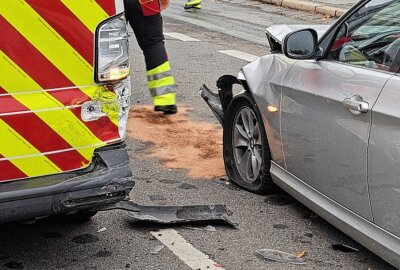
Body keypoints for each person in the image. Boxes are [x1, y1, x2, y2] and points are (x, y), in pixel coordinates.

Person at [124, 0, 177, 114]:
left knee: (106, 41)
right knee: (153, 44)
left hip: (107, 3)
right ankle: (165, 100)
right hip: (144, 2)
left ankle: (104, 94)